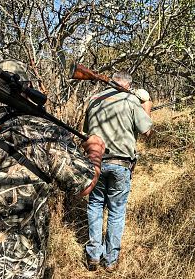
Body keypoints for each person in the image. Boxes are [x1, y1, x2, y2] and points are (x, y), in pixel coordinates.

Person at [0, 59, 105, 279]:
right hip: (17, 268)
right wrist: (95, 153)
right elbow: (84, 185)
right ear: (25, 88)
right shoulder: (44, 131)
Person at [83, 71, 153, 272]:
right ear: (128, 85)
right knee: (116, 211)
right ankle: (111, 260)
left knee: (95, 206)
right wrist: (146, 106)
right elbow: (146, 130)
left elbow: (87, 132)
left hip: (95, 162)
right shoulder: (131, 100)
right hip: (121, 165)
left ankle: (93, 256)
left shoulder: (93, 100)